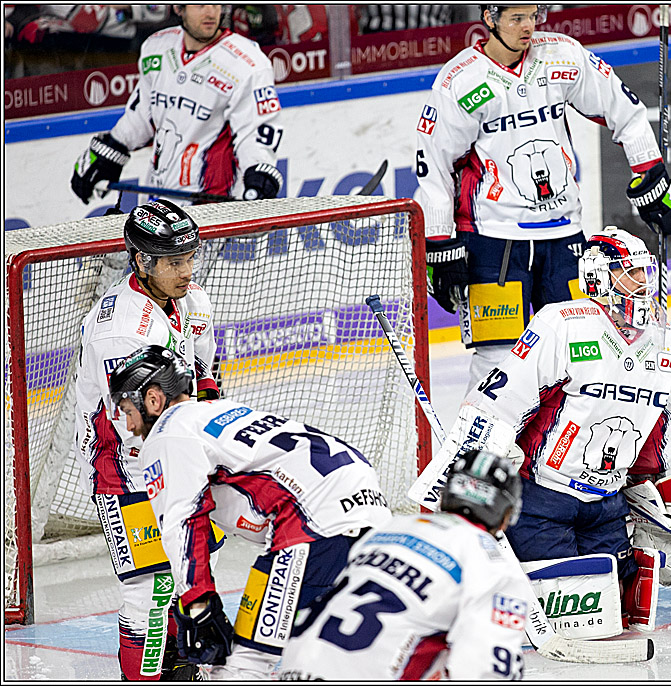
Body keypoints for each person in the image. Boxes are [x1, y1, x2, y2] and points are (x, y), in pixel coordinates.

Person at [430, 227, 671, 631]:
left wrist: (660, 501)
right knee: (565, 617)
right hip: (543, 501)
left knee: (617, 616)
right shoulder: (562, 324)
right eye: (629, 272)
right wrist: (479, 467)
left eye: (644, 272)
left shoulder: (668, 344)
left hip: (607, 505)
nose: (642, 282)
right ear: (598, 278)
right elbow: (498, 401)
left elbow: (658, 435)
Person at [415, 4, 671, 389]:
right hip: (492, 241)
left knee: (579, 348)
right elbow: (433, 163)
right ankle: (483, 432)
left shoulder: (561, 55)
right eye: (517, 19)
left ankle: (569, 431)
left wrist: (650, 174)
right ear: (489, 19)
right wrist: (440, 242)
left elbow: (624, 109)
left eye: (534, 15)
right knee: (498, 358)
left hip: (562, 236)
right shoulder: (460, 80)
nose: (528, 27)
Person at [107, 345, 393, 679]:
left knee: (242, 665)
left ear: (153, 400)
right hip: (372, 514)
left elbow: (183, 520)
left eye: (128, 410)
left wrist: (198, 601)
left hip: (313, 525)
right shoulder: (221, 411)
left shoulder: (168, 433)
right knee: (341, 653)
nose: (128, 425)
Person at [73, 199, 222, 680]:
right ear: (141, 261)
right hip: (123, 465)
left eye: (189, 258)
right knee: (148, 588)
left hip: (175, 450)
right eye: (174, 262)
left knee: (186, 568)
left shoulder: (192, 300)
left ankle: (178, 664)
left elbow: (205, 376)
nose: (186, 271)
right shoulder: (119, 330)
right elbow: (133, 423)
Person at [278, 449, 531, 680]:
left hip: (293, 666)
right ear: (506, 514)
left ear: (445, 494)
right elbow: (485, 669)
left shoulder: (389, 528)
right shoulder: (494, 566)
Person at [71, 4, 283, 205]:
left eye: (216, 4)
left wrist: (259, 172)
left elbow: (255, 130)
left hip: (212, 204)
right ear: (178, 8)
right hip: (159, 197)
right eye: (200, 5)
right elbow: (142, 115)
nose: (211, 13)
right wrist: (109, 151)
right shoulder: (157, 47)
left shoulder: (247, 62)